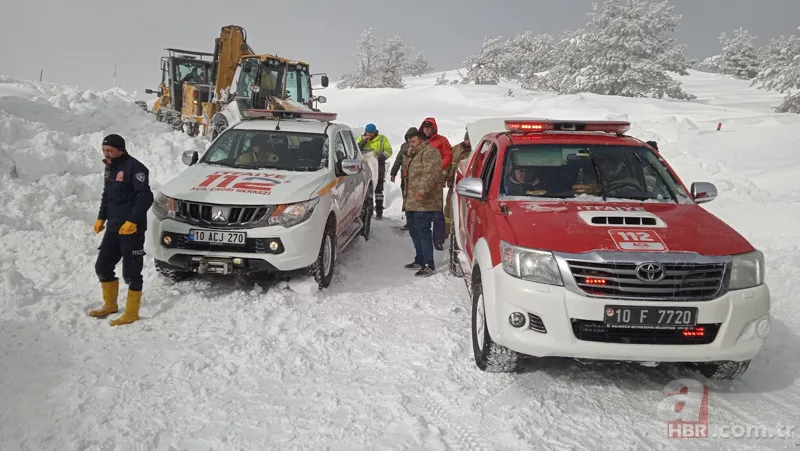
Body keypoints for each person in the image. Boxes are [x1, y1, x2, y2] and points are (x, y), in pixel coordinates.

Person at [90, 134, 154, 326]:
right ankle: (110, 305)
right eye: (104, 150)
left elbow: (145, 197)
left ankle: (132, 312)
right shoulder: (110, 167)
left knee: (131, 274)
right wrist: (101, 217)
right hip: (113, 228)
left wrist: (133, 221)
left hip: (132, 230)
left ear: (121, 149)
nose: (106, 154)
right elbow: (107, 194)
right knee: (102, 267)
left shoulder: (136, 168)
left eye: (110, 150)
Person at [403, 130, 443, 277]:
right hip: (412, 200)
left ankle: (428, 264)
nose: (411, 144)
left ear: (421, 140)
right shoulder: (415, 154)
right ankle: (419, 259)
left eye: (413, 141)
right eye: (410, 142)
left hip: (425, 201)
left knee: (423, 230)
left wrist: (422, 191)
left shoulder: (430, 152)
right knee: (414, 230)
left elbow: (429, 174)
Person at [419, 118, 452, 250]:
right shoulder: (419, 140)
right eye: (425, 128)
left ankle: (438, 239)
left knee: (437, 212)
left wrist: (438, 168)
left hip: (435, 180)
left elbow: (448, 155)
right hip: (421, 180)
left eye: (429, 128)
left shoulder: (442, 141)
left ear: (433, 129)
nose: (427, 130)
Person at [356, 123, 393, 219]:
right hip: (364, 168)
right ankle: (367, 211)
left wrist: (379, 157)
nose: (369, 135)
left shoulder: (382, 139)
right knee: (366, 190)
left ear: (375, 132)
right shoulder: (361, 138)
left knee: (378, 191)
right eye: (368, 132)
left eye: (371, 133)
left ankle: (379, 211)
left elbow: (389, 151)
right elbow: (356, 150)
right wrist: (363, 141)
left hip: (378, 168)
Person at [390, 127, 419, 229]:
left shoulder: (421, 148)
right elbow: (398, 160)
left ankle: (416, 221)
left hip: (417, 178)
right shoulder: (404, 147)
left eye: (412, 137)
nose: (410, 140)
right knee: (406, 199)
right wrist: (393, 173)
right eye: (408, 137)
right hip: (405, 178)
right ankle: (409, 221)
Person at [444, 130, 471, 236]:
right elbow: (448, 164)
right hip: (454, 183)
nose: (468, 142)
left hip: (468, 186)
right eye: (467, 139)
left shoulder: (476, 150)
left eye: (470, 139)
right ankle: (446, 230)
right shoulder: (455, 149)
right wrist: (444, 178)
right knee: (448, 207)